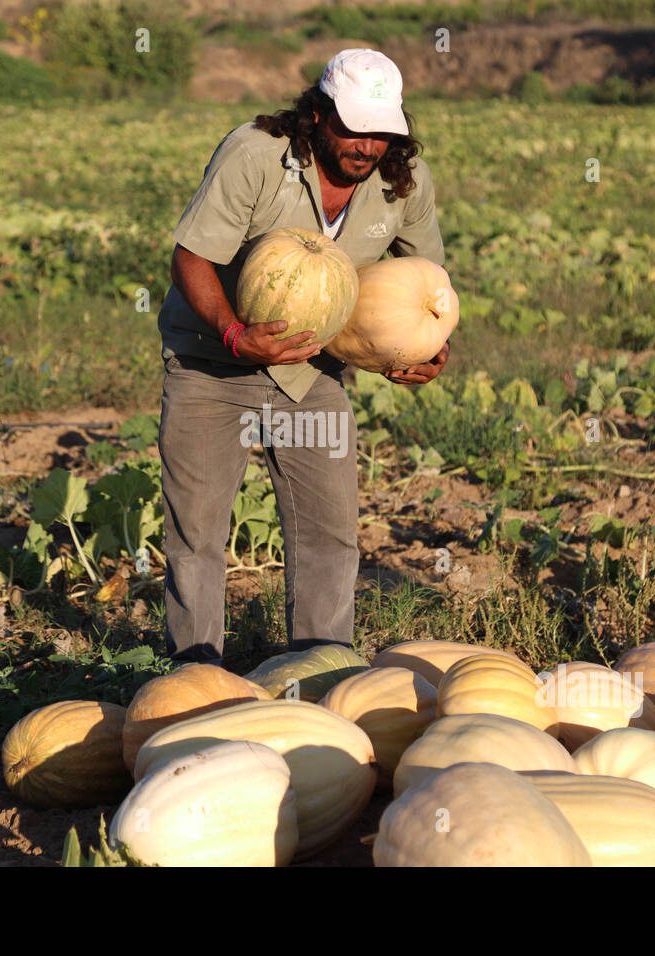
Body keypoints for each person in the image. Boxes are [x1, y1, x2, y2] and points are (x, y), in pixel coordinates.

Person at [156, 48, 450, 664]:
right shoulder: (255, 156)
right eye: (351, 127)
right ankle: (195, 675)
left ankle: (320, 668)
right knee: (198, 532)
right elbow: (191, 256)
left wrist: (427, 348)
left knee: (329, 530)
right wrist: (236, 334)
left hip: (312, 374)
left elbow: (422, 281)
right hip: (215, 362)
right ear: (316, 114)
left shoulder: (406, 184)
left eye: (380, 133)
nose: (365, 147)